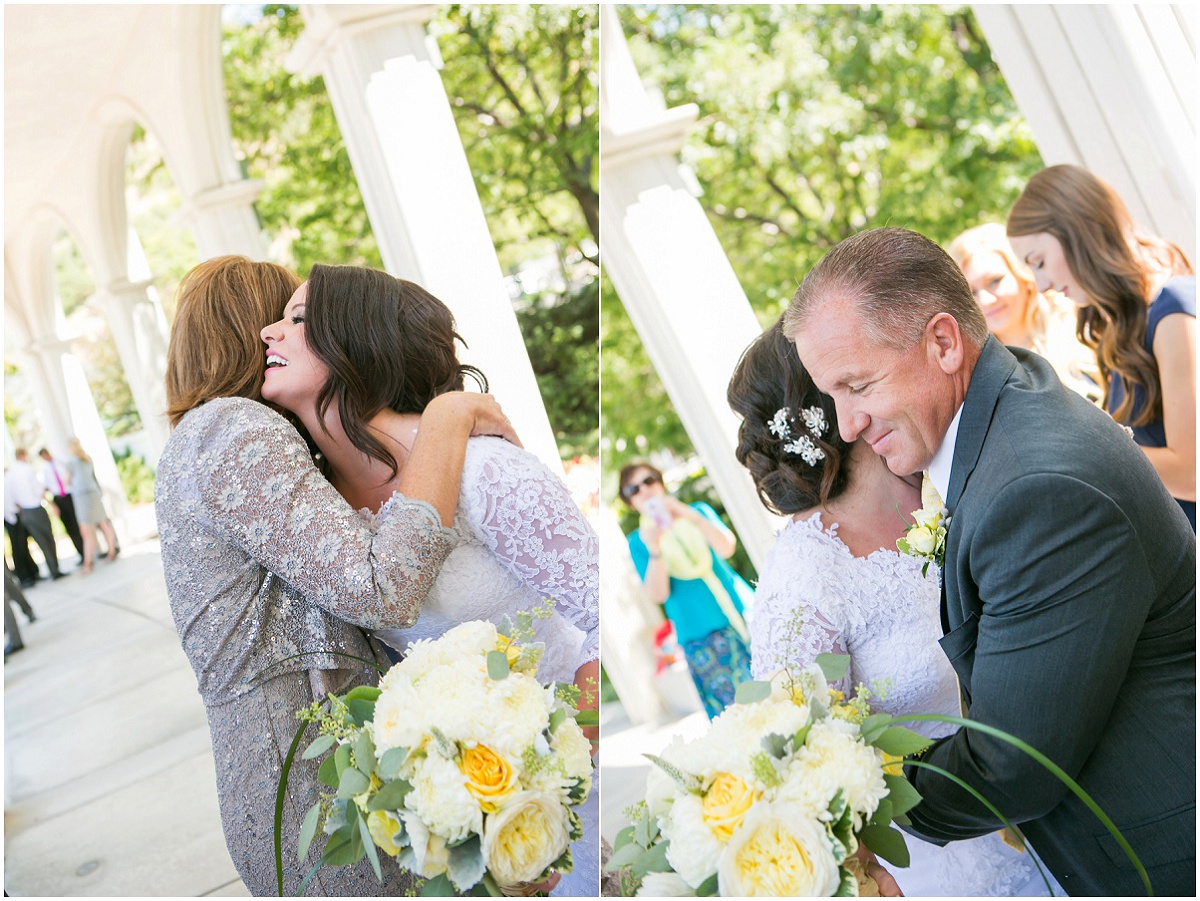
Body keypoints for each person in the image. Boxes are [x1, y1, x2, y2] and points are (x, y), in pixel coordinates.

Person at [783, 226, 1195, 896]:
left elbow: (1012, 766)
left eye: (857, 384)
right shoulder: (1000, 414)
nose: (847, 423)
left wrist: (844, 789)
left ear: (944, 342)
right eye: (832, 395)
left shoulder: (1037, 486)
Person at [156, 255, 517, 897]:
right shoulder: (234, 430)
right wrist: (446, 419)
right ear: (254, 330)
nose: (285, 333)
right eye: (286, 315)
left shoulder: (204, 442)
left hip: (292, 784)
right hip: (318, 798)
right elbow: (382, 588)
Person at [259, 264, 600, 896]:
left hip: (557, 786)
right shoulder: (319, 518)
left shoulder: (486, 474)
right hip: (447, 822)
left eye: (296, 319)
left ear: (357, 339)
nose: (266, 332)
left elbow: (603, 616)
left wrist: (553, 769)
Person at [727, 319, 1059, 896]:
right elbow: (798, 761)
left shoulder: (945, 486)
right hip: (950, 864)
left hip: (1059, 812)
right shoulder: (805, 582)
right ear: (839, 405)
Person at [1007, 164, 1196, 530]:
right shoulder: (1119, 324)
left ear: (1077, 232)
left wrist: (1086, 446)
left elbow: (1192, 472)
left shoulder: (1175, 307)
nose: (1041, 284)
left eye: (1039, 262)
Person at [618, 462, 753, 720]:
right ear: (629, 501)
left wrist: (691, 517)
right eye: (634, 489)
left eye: (649, 480)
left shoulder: (696, 512)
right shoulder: (639, 541)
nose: (645, 490)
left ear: (660, 482)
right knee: (738, 716)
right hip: (701, 634)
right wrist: (655, 548)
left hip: (742, 611)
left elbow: (726, 548)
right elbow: (658, 594)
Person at [946, 222, 1100, 402]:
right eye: (971, 292)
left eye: (994, 281)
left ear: (1023, 274)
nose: (985, 301)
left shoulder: (1081, 326)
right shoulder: (973, 373)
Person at [4, 449, 65, 581]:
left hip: (24, 512)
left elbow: (9, 496)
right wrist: (51, 503)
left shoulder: (10, 475)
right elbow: (38, 490)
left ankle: (53, 569)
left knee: (41, 542)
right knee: (48, 538)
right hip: (36, 509)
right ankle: (55, 569)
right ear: (23, 455)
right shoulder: (28, 469)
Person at [63, 438, 119, 574]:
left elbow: (67, 482)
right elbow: (93, 477)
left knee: (86, 532)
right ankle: (112, 551)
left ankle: (88, 563)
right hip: (94, 493)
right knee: (104, 524)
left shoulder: (71, 463)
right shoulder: (87, 458)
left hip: (82, 497)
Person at [39, 447, 85, 563]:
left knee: (78, 523)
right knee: (69, 528)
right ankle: (81, 553)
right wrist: (52, 504)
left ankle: (87, 550)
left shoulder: (61, 462)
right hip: (59, 499)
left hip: (69, 496)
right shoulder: (45, 470)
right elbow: (45, 487)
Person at [4, 494, 40, 588]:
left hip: (16, 514)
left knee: (23, 545)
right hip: (9, 516)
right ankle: (23, 577)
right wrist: (11, 517)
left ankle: (32, 572)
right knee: (17, 546)